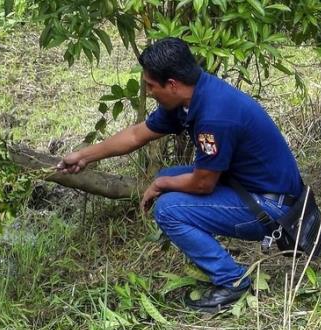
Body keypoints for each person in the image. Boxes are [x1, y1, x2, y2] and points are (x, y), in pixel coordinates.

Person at [56, 37, 304, 313]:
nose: (148, 92)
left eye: (151, 85)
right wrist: (84, 156)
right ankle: (217, 258)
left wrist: (160, 184)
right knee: (170, 178)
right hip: (255, 188)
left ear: (172, 84)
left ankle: (233, 281)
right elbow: (138, 134)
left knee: (169, 208)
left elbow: (202, 183)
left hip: (275, 208)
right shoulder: (193, 96)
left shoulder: (214, 117)